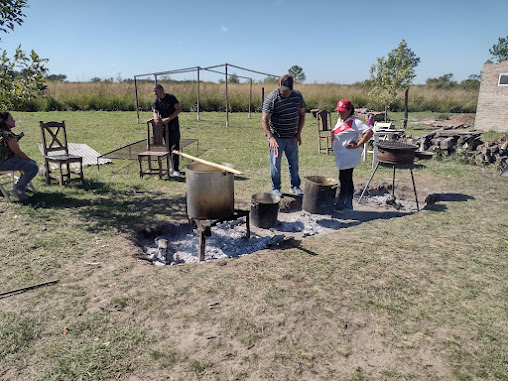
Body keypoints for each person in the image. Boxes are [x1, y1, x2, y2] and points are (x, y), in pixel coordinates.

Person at [261, 74, 306, 199]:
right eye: (284, 90)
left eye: (288, 90)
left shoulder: (297, 96)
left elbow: (302, 114)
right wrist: (270, 137)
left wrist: (298, 133)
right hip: (277, 137)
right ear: (279, 86)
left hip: (292, 136)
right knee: (276, 163)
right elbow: (264, 120)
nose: (286, 93)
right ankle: (276, 188)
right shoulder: (272, 98)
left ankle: (295, 186)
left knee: (294, 162)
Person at [331, 99, 373, 212]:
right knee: (347, 180)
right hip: (341, 156)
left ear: (350, 110)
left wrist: (358, 144)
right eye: (338, 111)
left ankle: (340, 204)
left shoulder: (355, 121)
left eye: (343, 111)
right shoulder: (340, 120)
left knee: (344, 179)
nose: (340, 113)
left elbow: (369, 132)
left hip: (348, 155)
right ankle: (348, 204)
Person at [0, 112, 39, 201]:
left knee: (24, 164)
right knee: (32, 167)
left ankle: (21, 186)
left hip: (3, 161)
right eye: (11, 119)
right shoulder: (8, 135)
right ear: (5, 122)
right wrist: (30, 160)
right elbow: (18, 152)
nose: (14, 121)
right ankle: (18, 190)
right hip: (3, 163)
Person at [152, 84, 182, 177]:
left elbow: (178, 110)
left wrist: (168, 119)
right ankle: (172, 167)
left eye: (155, 91)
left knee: (175, 147)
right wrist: (156, 117)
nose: (154, 93)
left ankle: (176, 169)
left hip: (173, 126)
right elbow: (154, 110)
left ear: (161, 90)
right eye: (154, 91)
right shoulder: (157, 101)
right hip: (164, 128)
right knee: (168, 147)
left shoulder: (171, 97)